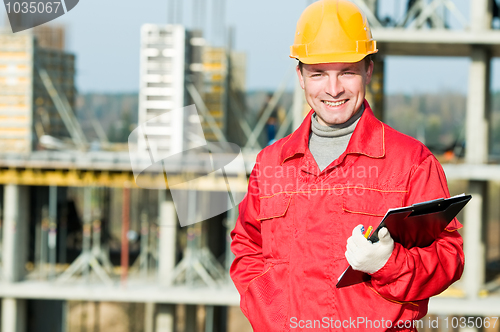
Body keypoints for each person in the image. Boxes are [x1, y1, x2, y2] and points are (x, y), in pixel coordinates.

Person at [230, 0, 464, 331]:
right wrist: (275, 316)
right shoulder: (272, 163)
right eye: (318, 74)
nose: (334, 88)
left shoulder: (411, 161)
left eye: (347, 72)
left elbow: (448, 257)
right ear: (300, 76)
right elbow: (247, 247)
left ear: (368, 70)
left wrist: (389, 263)